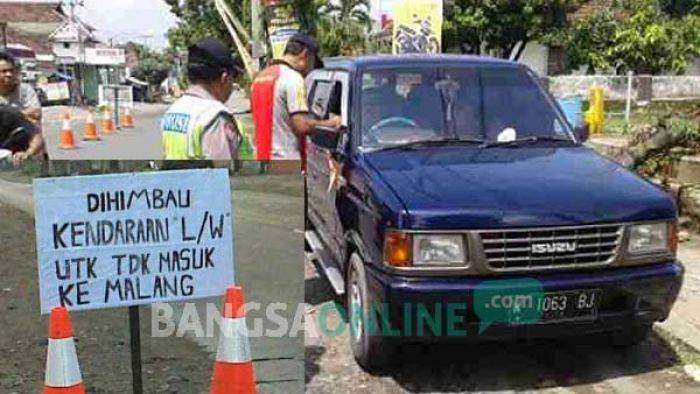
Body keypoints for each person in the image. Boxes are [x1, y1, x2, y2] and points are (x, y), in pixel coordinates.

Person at [251, 33, 341, 161]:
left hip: (261, 159)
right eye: (313, 63)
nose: (311, 70)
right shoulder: (293, 78)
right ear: (305, 55)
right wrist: (331, 123)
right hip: (285, 162)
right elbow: (301, 125)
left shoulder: (260, 78)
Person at [161, 38, 241, 160]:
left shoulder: (173, 111)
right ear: (224, 78)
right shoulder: (213, 116)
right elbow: (222, 172)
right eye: (233, 77)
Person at [0, 51, 46, 164]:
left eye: (11, 71)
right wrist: (24, 114)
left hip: (30, 148)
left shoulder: (24, 90)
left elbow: (36, 114)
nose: (9, 74)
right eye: (4, 71)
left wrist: (11, 114)